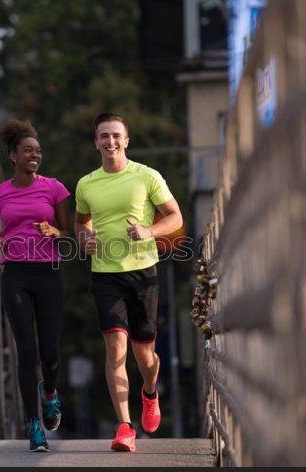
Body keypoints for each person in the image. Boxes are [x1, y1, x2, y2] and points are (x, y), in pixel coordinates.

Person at [74, 113, 183, 452]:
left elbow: (176, 216)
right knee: (115, 348)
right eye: (103, 136)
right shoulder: (86, 184)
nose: (110, 142)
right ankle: (125, 426)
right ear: (96, 142)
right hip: (105, 274)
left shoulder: (146, 176)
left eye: (116, 136)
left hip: (143, 273)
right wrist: (84, 240)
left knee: (144, 356)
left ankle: (150, 393)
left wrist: (150, 231)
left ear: (126, 140)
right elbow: (81, 223)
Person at [0, 119, 70, 452]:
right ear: (13, 156)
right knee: (27, 351)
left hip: (48, 273)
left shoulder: (54, 189)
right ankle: (35, 427)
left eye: (38, 151)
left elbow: (69, 236)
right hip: (15, 276)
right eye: (28, 151)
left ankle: (50, 393)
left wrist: (55, 234)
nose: (35, 156)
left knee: (49, 354)